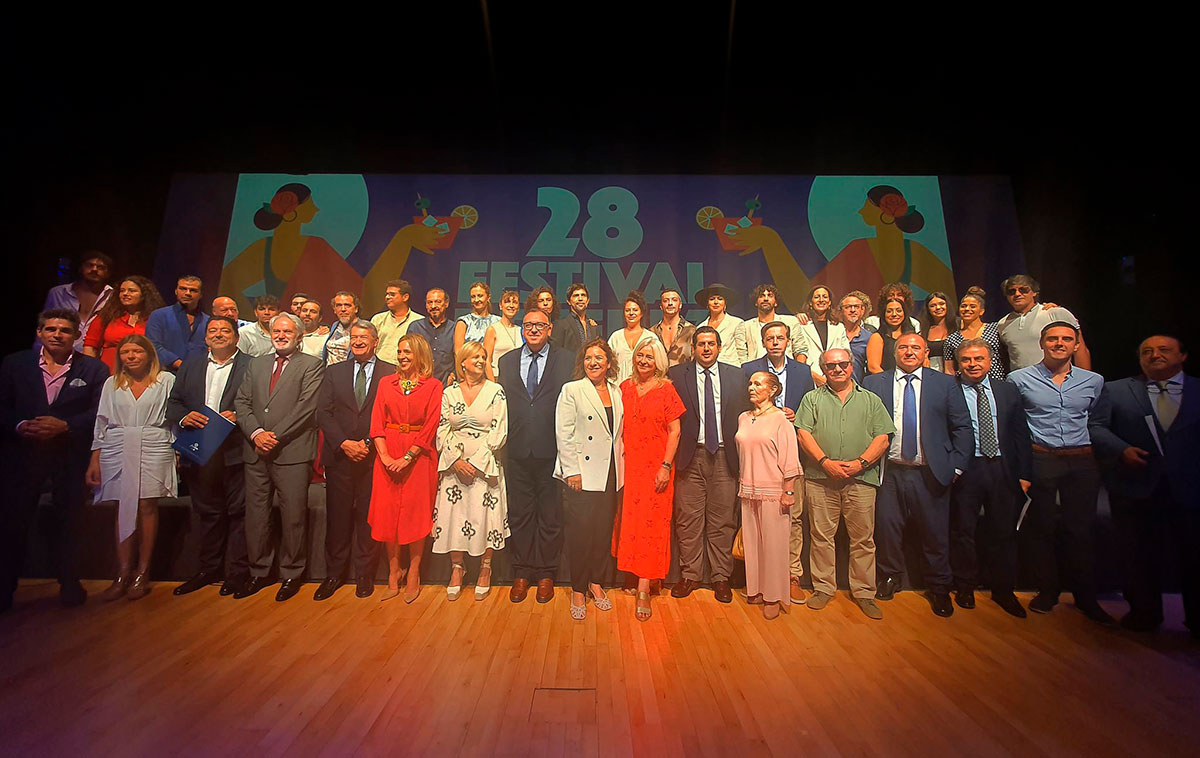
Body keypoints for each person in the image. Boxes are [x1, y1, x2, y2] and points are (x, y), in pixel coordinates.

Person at [1089, 335, 1199, 637]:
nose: (1155, 355)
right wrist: (1121, 449)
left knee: (1194, 556)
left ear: (1182, 356)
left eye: (1164, 350)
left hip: (1190, 489)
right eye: (1147, 351)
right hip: (1136, 487)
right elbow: (1096, 427)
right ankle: (1144, 613)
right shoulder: (1115, 390)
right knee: (1138, 554)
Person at [0, 309, 108, 612]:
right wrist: (20, 425)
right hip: (23, 457)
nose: (57, 335)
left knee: (70, 524)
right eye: (50, 329)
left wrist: (66, 425)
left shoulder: (94, 369)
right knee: (12, 525)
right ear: (39, 333)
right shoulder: (15, 364)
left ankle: (69, 583)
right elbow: (2, 406)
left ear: (77, 335)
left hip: (70, 457)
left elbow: (100, 411)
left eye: (64, 330)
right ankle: (5, 588)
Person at [1008, 322, 1112, 624]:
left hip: (1082, 461)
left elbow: (1100, 422)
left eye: (1066, 339)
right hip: (1041, 458)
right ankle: (1047, 591)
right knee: (1042, 528)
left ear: (1076, 345)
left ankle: (1086, 596)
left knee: (1080, 530)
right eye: (1052, 339)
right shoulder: (1019, 379)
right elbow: (1014, 425)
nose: (1059, 343)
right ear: (1042, 344)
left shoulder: (1094, 381)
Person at [863, 334, 973, 617]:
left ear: (925, 352)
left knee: (935, 534)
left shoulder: (945, 383)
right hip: (889, 472)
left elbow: (962, 427)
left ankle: (939, 587)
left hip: (930, 472)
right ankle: (890, 577)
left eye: (915, 347)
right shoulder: (874, 383)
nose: (909, 352)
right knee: (887, 530)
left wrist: (956, 467)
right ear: (894, 352)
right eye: (903, 347)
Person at [795, 348, 893, 619]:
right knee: (821, 537)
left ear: (851, 366)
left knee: (863, 539)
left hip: (861, 479)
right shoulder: (811, 399)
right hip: (820, 479)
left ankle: (864, 592)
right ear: (823, 369)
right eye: (831, 365)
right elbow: (803, 434)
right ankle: (823, 588)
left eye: (842, 364)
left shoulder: (871, 400)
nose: (837, 369)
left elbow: (883, 438)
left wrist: (861, 463)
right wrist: (824, 462)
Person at [233, 312, 325, 602]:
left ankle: (291, 573)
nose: (281, 336)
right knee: (257, 515)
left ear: (299, 336)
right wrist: (256, 433)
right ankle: (259, 571)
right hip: (255, 451)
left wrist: (273, 436)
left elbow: (306, 407)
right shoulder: (256, 364)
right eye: (277, 331)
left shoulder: (311, 365)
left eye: (287, 331)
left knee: (293, 516)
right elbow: (242, 402)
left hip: (292, 451)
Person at [166, 316, 252, 597]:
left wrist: (240, 415)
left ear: (236, 337)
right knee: (208, 513)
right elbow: (174, 403)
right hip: (199, 449)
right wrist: (184, 417)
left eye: (225, 330)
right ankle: (208, 569)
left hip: (235, 450)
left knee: (239, 513)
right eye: (212, 330)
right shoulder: (190, 366)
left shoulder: (252, 365)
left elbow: (262, 402)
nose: (218, 334)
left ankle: (237, 573)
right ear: (205, 338)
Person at [87, 334, 176, 601]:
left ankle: (142, 572)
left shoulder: (166, 380)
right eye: (125, 352)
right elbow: (101, 423)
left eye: (137, 351)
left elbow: (174, 418)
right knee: (122, 505)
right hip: (117, 445)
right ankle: (123, 571)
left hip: (154, 443)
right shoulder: (112, 383)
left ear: (149, 354)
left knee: (147, 504)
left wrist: (178, 451)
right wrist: (94, 458)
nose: (131, 356)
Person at [668, 326, 751, 603]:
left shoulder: (736, 376)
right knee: (688, 520)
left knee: (723, 521)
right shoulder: (677, 375)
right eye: (701, 344)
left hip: (725, 457)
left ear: (719, 347)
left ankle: (720, 577)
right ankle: (690, 575)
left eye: (711, 344)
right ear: (693, 348)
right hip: (690, 457)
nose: (706, 348)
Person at [949, 339, 1031, 617]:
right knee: (963, 531)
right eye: (966, 360)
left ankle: (1003, 589)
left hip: (1002, 468)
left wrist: (1024, 473)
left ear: (990, 361)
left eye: (979, 359)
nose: (973, 364)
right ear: (958, 363)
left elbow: (1020, 433)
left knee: (1004, 531)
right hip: (966, 469)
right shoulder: (950, 390)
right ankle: (965, 586)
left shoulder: (1007, 390)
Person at [498, 307, 574, 603]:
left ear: (550, 329)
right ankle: (522, 571)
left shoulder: (566, 360)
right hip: (517, 450)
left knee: (550, 515)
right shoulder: (506, 361)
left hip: (552, 450)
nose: (533, 329)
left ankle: (545, 572)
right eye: (528, 325)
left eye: (539, 325)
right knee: (520, 513)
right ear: (522, 328)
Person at [314, 320, 394, 601]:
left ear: (375, 341)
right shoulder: (334, 372)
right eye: (354, 337)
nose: (358, 341)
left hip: (374, 458)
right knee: (337, 518)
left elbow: (392, 416)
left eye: (364, 337)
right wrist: (345, 443)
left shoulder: (390, 373)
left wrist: (369, 444)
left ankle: (365, 575)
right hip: (340, 456)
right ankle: (334, 574)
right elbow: (323, 413)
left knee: (367, 519)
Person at [742, 321, 815, 603]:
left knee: (791, 521)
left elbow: (809, 407)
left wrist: (795, 416)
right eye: (770, 337)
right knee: (758, 529)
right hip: (758, 453)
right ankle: (761, 583)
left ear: (788, 341)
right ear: (763, 341)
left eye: (780, 337)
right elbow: (745, 407)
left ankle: (791, 577)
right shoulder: (749, 368)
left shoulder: (802, 371)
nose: (775, 342)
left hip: (790, 450)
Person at [432, 341, 509, 601]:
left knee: (484, 516)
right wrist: (455, 460)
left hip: (484, 466)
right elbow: (442, 428)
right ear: (462, 362)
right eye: (475, 356)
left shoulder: (496, 391)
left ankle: (485, 569)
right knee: (454, 516)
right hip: (454, 466)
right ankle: (457, 568)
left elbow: (499, 430)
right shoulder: (449, 393)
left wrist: (475, 463)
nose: (480, 360)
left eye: (483, 357)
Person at [369, 333, 442, 603]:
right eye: (400, 352)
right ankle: (393, 570)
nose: (402, 356)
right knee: (387, 513)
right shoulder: (385, 383)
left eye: (407, 352)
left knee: (415, 513)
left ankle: (413, 571)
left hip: (419, 456)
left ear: (420, 355)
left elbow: (431, 425)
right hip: (387, 453)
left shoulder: (433, 385)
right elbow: (376, 423)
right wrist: (385, 456)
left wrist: (408, 457)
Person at [614, 337, 683, 621]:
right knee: (631, 523)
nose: (644, 360)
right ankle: (635, 575)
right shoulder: (624, 388)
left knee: (653, 524)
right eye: (640, 355)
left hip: (657, 467)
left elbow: (675, 431)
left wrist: (665, 465)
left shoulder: (667, 389)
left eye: (649, 357)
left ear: (659, 362)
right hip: (629, 468)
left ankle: (645, 585)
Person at [556, 338, 624, 620]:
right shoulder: (572, 390)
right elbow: (564, 432)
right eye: (588, 358)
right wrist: (572, 470)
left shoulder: (617, 391)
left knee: (602, 531)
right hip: (582, 474)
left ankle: (596, 581)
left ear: (609, 363)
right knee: (581, 534)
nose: (593, 362)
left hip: (611, 472)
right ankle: (578, 588)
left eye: (598, 358)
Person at [217, 183, 361, 314]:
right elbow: (228, 282)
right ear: (292, 212)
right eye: (309, 204)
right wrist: (259, 320)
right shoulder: (263, 248)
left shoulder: (317, 245)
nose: (315, 209)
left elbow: (356, 286)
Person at [735, 370, 802, 619]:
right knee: (753, 544)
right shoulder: (743, 418)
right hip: (748, 489)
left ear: (773, 390)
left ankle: (774, 596)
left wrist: (788, 491)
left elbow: (790, 457)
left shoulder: (781, 420)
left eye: (758, 384)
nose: (751, 388)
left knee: (774, 546)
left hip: (774, 491)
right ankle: (756, 589)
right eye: (750, 383)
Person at [998, 274, 1092, 372]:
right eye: (1011, 291)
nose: (1017, 294)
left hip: (1056, 377)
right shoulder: (1003, 324)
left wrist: (1084, 379)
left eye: (1023, 290)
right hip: (1020, 379)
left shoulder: (1055, 313)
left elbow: (1080, 349)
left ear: (1034, 292)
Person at [83, 275, 165, 371]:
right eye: (122, 291)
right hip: (110, 371)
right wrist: (90, 371)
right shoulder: (106, 316)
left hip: (146, 372)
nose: (125, 294)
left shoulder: (156, 318)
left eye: (132, 291)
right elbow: (90, 346)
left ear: (144, 295)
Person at [41, 250, 112, 352]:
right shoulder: (58, 293)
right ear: (80, 268)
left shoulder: (112, 296)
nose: (94, 269)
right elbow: (44, 324)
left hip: (96, 354)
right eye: (90, 265)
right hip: (59, 352)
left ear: (108, 273)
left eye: (100, 267)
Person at [146, 274, 210, 371]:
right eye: (183, 289)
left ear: (201, 294)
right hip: (165, 372)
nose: (187, 293)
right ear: (176, 291)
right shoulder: (159, 315)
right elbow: (152, 345)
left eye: (193, 290)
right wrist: (179, 364)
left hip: (197, 373)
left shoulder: (207, 321)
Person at [943, 287, 1007, 380]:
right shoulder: (951, 339)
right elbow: (949, 370)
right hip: (965, 384)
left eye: (972, 306)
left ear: (981, 311)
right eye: (963, 306)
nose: (967, 309)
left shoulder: (995, 329)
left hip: (995, 381)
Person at [732, 284, 804, 365]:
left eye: (770, 296)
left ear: (776, 302)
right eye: (761, 296)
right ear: (756, 302)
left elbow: (800, 349)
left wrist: (798, 370)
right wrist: (748, 370)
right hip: (755, 371)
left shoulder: (790, 322)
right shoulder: (745, 326)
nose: (766, 299)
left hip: (786, 369)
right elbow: (741, 354)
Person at [795, 285, 848, 386]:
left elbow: (846, 352)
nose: (821, 300)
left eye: (825, 297)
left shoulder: (839, 326)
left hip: (835, 376)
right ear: (810, 302)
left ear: (830, 302)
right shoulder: (801, 324)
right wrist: (814, 376)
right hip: (809, 377)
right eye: (817, 297)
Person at [370, 279, 425, 366]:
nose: (387, 297)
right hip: (380, 368)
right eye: (387, 294)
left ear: (405, 297)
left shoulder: (419, 321)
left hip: (406, 368)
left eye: (392, 294)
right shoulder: (378, 319)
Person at [408, 288, 456, 384]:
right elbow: (408, 354)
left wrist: (454, 374)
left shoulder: (455, 328)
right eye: (430, 302)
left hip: (445, 385)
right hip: (419, 383)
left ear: (446, 304)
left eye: (438, 302)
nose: (433, 306)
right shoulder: (415, 327)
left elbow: (460, 356)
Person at [608, 290, 657, 384]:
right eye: (627, 310)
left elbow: (658, 365)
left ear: (641, 313)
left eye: (635, 310)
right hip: (617, 386)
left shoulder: (650, 337)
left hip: (643, 386)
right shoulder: (615, 337)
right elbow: (607, 363)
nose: (631, 313)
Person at [693, 283, 744, 366]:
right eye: (712, 299)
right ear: (707, 304)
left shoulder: (736, 323)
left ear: (725, 303)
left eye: (720, 299)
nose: (716, 302)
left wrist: (743, 370)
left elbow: (741, 351)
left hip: (731, 368)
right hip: (709, 369)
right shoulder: (700, 327)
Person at [866, 297, 917, 374]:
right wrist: (891, 380)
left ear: (904, 313)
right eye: (889, 311)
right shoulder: (877, 337)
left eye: (898, 311)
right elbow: (873, 367)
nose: (894, 314)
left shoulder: (913, 336)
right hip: (885, 379)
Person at [650, 287, 696, 367]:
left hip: (684, 374)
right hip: (657, 374)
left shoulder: (691, 330)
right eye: (665, 301)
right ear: (661, 306)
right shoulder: (652, 332)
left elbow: (696, 359)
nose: (670, 303)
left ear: (680, 305)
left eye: (674, 300)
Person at [551, 282, 601, 355]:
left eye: (583, 295)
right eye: (576, 296)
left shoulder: (593, 326)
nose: (580, 299)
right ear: (569, 301)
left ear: (587, 300)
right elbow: (555, 353)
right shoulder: (561, 325)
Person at [454, 281, 501, 360]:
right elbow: (458, 352)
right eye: (473, 297)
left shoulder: (498, 321)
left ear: (488, 297)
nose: (476, 300)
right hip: (470, 365)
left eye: (480, 296)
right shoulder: (463, 322)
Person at [483, 289, 523, 381]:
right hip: (497, 377)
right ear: (501, 306)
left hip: (516, 379)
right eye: (507, 302)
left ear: (518, 307)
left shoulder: (520, 330)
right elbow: (487, 360)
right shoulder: (493, 329)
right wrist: (493, 384)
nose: (511, 305)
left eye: (514, 302)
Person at [840, 291, 875, 383]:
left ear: (862, 310)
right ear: (841, 311)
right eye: (848, 307)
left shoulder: (869, 338)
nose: (852, 310)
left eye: (856, 307)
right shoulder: (834, 333)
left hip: (858, 386)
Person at [322, 291, 362, 365]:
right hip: (329, 370)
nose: (343, 309)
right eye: (339, 305)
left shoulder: (363, 328)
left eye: (347, 305)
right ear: (334, 310)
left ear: (356, 309)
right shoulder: (335, 325)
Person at [921, 292, 953, 373]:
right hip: (931, 372)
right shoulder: (922, 328)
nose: (938, 307)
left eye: (941, 304)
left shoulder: (958, 324)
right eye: (933, 306)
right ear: (928, 309)